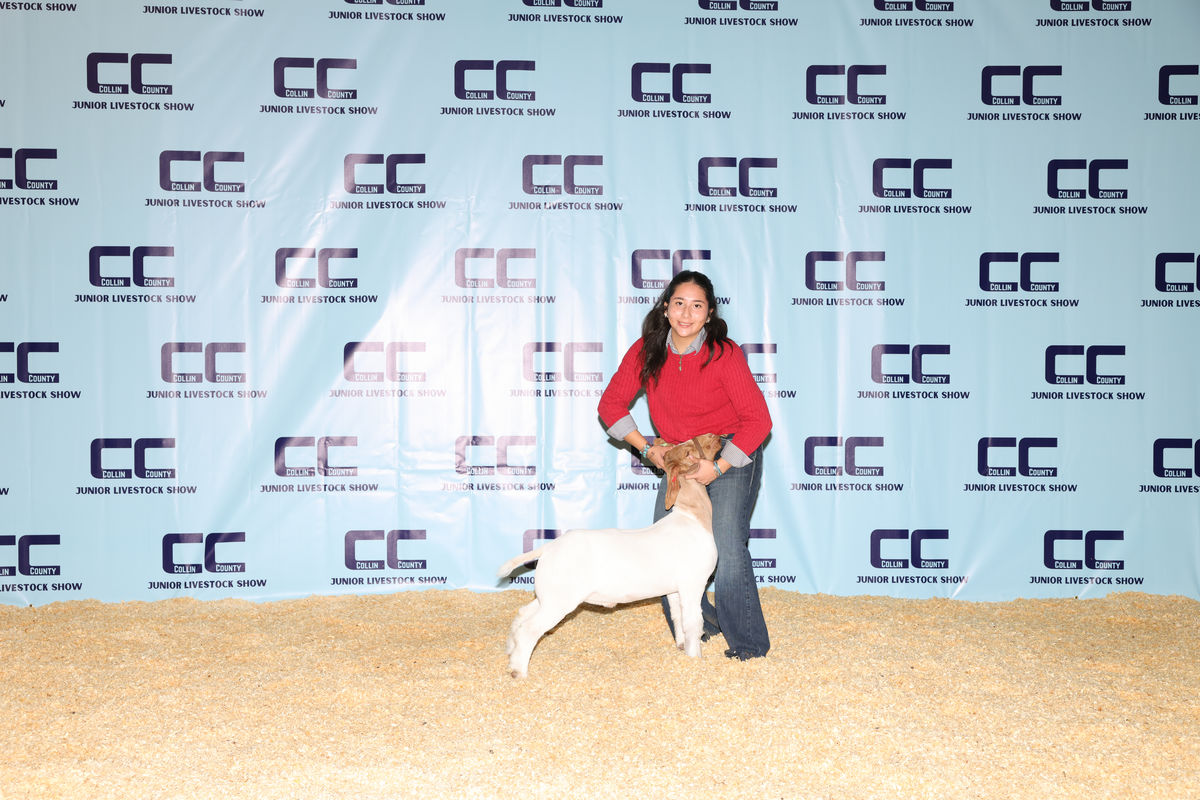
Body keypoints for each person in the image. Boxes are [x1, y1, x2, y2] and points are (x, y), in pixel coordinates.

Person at [597, 270, 772, 660]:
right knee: (665, 548)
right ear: (665, 307)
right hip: (679, 457)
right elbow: (610, 405)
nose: (687, 314)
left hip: (728, 452)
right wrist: (648, 449)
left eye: (697, 306)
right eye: (679, 303)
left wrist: (719, 467)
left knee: (727, 542)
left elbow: (759, 421)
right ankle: (699, 628)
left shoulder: (724, 354)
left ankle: (748, 646)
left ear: (709, 313)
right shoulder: (646, 351)